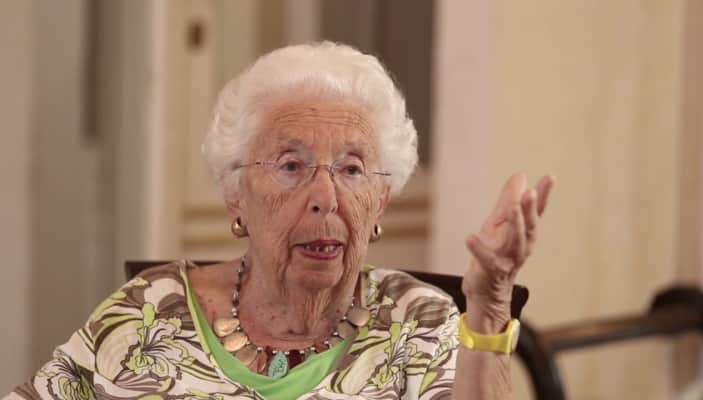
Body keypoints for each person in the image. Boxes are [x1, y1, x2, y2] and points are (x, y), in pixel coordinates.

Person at [6, 41, 554, 400]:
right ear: (235, 196)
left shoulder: (420, 323)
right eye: (292, 166)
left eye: (352, 169)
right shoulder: (150, 310)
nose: (325, 198)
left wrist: (489, 305)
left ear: (381, 201)